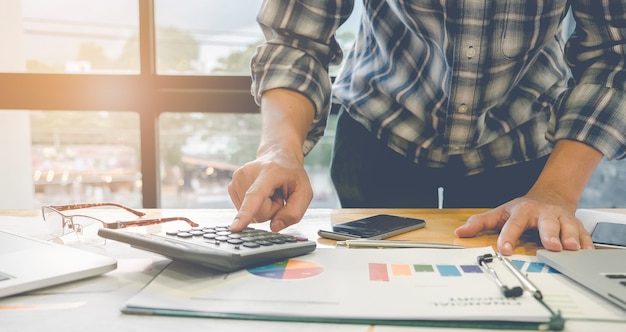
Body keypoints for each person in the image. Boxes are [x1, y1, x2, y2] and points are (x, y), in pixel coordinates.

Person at [228, 1, 626, 256]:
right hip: (379, 130)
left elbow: (615, 54)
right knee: (374, 290)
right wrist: (280, 149)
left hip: (522, 141)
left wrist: (555, 192)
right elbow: (296, 37)